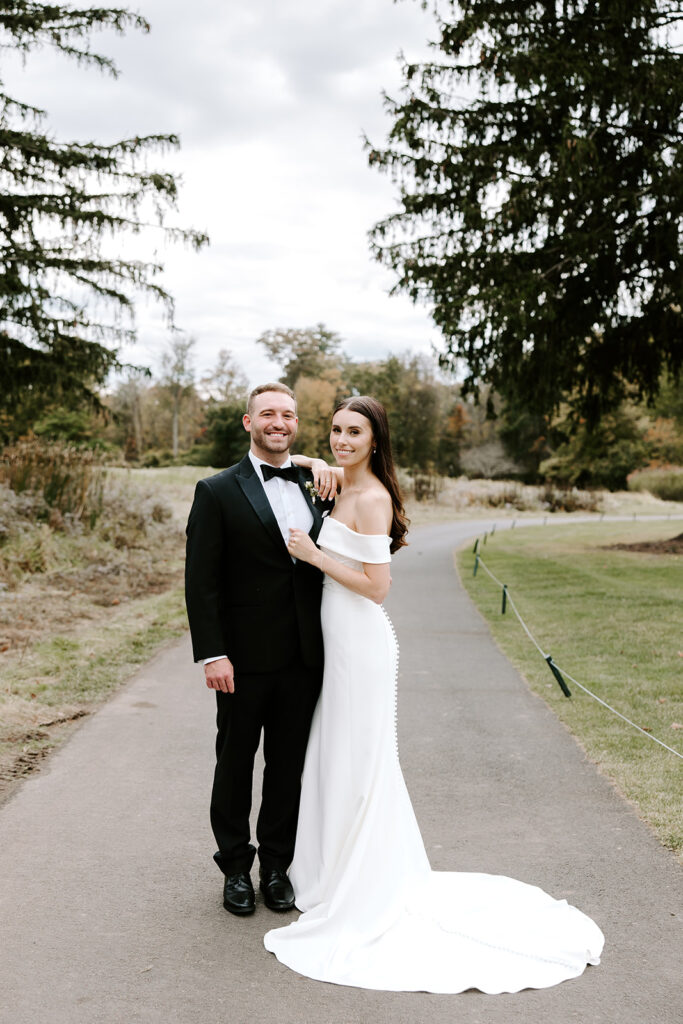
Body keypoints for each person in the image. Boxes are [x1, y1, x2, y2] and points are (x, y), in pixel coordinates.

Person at [263, 395, 605, 993]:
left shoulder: (372, 497)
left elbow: (377, 587)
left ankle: (362, 883)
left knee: (363, 760)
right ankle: (326, 873)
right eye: (336, 430)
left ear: (377, 440)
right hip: (334, 643)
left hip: (362, 645)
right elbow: (298, 464)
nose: (342, 440)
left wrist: (315, 555)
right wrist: (319, 458)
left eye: (355, 432)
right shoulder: (336, 479)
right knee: (334, 754)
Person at [184, 383, 336, 916]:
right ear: (248, 423)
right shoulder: (217, 490)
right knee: (234, 762)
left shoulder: (319, 485)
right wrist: (213, 654)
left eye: (288, 414)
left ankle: (276, 865)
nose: (279, 421)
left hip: (303, 657)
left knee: (288, 766)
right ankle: (234, 868)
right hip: (242, 661)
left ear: (297, 423)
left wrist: (318, 463)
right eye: (267, 413)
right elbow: (201, 583)